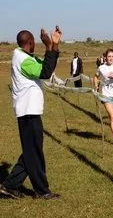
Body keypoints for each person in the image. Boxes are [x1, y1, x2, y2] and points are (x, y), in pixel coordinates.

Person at [0, 26, 62, 200]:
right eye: (35, 42)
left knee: (32, 150)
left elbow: (46, 65)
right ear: (30, 42)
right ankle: (42, 191)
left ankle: (10, 186)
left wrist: (53, 46)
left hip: (30, 111)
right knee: (33, 151)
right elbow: (46, 72)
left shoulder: (26, 57)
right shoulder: (22, 59)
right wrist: (49, 46)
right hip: (28, 112)